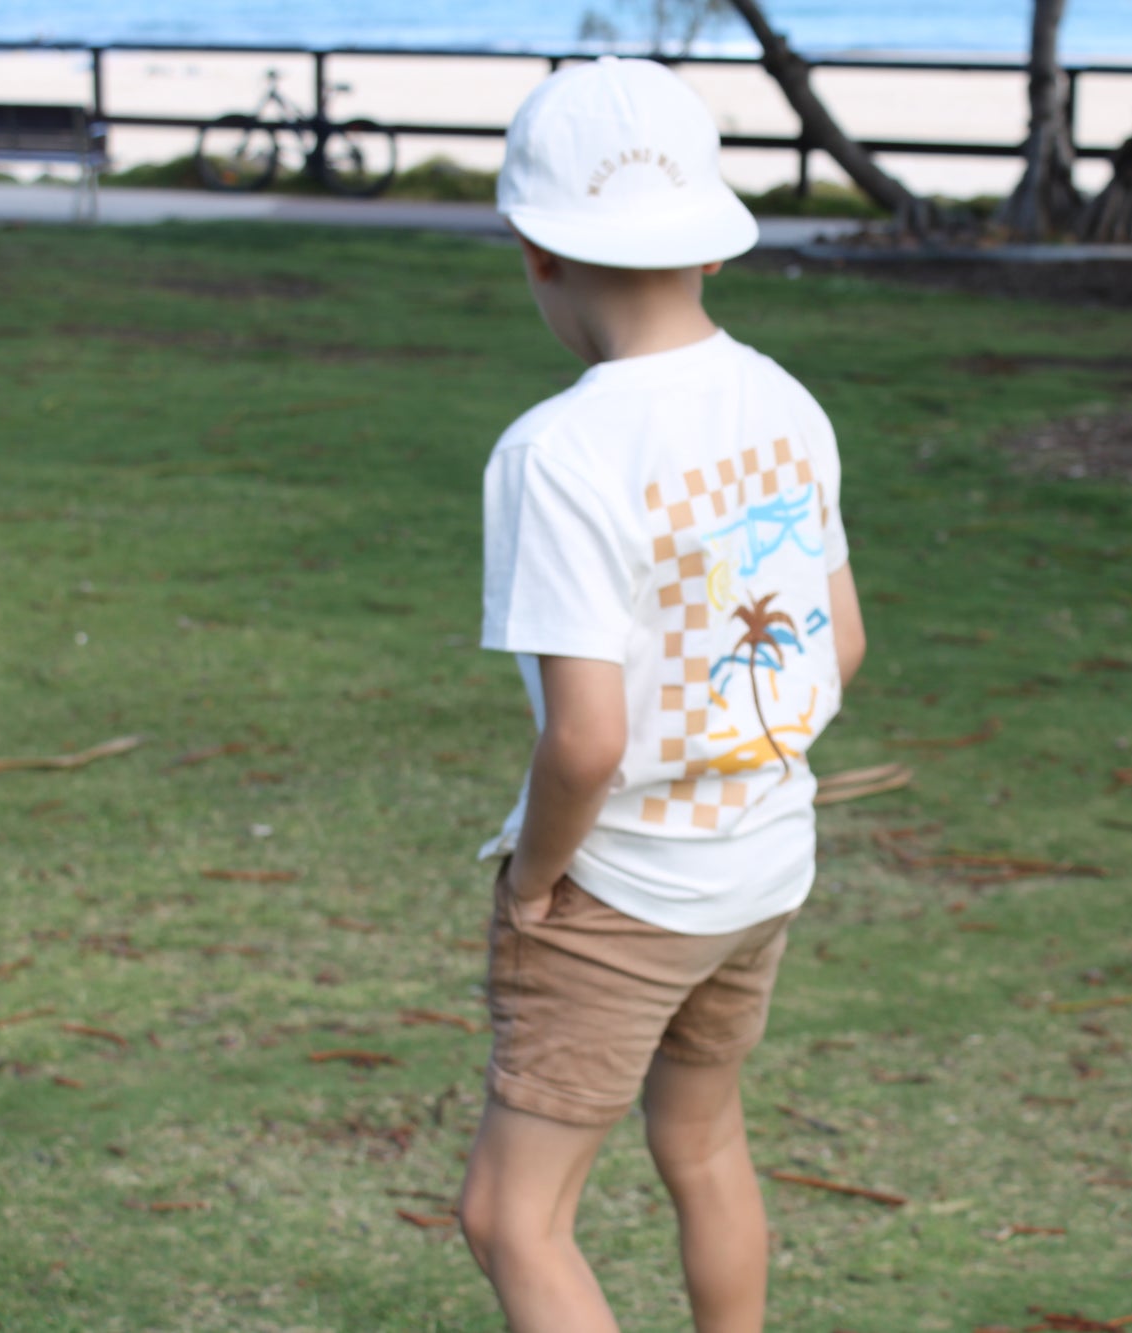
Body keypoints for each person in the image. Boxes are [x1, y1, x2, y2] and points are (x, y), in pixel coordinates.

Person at [457, 56, 867, 1333]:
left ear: (534, 250)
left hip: (623, 887)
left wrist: (534, 880)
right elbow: (841, 643)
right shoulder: (784, 403)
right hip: (762, 863)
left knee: (513, 1216)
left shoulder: (558, 451)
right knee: (702, 1141)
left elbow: (586, 740)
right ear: (712, 245)